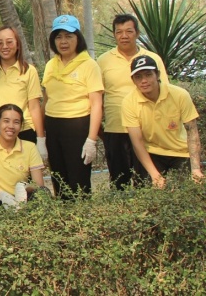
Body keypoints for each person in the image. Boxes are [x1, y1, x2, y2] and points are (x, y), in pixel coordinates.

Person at [97, 14, 168, 190]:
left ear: (137, 33)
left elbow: (164, 92)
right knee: (118, 182)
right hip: (115, 129)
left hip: (147, 130)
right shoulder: (103, 61)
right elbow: (97, 97)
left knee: (146, 181)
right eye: (119, 32)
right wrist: (99, 128)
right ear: (114, 34)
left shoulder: (152, 59)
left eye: (129, 31)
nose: (124, 36)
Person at [41, 14, 103, 199]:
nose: (63, 41)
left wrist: (91, 140)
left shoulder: (89, 65)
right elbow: (46, 99)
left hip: (78, 125)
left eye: (69, 36)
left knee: (79, 181)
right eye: (58, 36)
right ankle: (63, 214)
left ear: (78, 38)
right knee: (58, 179)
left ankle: (81, 215)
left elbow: (97, 104)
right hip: (53, 125)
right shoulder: (51, 64)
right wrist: (41, 136)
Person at [122, 55, 203, 187]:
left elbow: (192, 132)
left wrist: (195, 169)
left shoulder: (180, 95)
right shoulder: (128, 102)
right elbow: (137, 142)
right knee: (146, 189)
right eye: (138, 77)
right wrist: (155, 175)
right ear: (133, 80)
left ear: (158, 75)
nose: (144, 81)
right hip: (151, 151)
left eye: (148, 75)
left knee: (190, 188)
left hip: (180, 151)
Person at [0, 26, 47, 161]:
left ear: (18, 44)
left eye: (9, 42)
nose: (4, 46)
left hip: (24, 132)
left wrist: (41, 139)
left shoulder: (28, 71)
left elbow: (34, 107)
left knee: (23, 174)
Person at [0, 104, 45, 207]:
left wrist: (24, 188)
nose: (11, 126)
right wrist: (2, 196)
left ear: (21, 126)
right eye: (6, 121)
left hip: (23, 203)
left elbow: (39, 185)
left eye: (16, 122)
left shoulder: (30, 147)